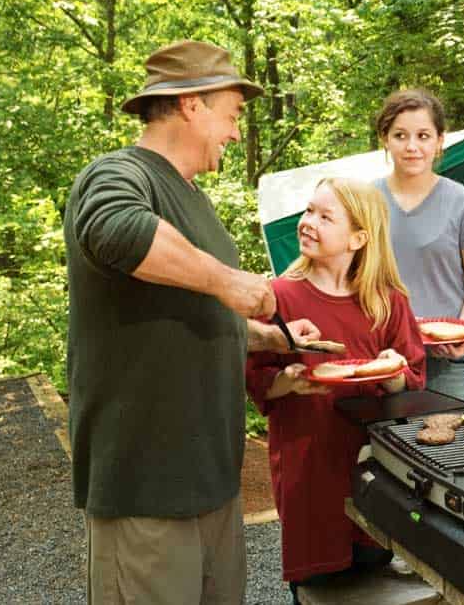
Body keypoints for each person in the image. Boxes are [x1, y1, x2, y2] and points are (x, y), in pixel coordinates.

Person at [63, 39, 319, 604]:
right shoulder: (118, 174)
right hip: (146, 484)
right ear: (191, 104)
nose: (233, 132)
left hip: (212, 481)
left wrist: (273, 337)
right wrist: (232, 283)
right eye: (231, 116)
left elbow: (195, 310)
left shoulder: (192, 199)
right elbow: (113, 228)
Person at [245, 177, 426, 604]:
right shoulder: (278, 297)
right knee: (318, 587)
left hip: (372, 468)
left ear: (359, 238)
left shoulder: (386, 301)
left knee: (374, 579)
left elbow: (413, 379)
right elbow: (258, 381)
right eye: (309, 211)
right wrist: (289, 380)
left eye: (325, 217)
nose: (309, 222)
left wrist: (392, 372)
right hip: (308, 467)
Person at [373, 89, 464, 405]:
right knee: (388, 451)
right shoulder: (365, 201)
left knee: (454, 452)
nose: (412, 146)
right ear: (385, 138)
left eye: (423, 135)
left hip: (447, 362)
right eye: (400, 135)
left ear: (439, 140)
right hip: (383, 359)